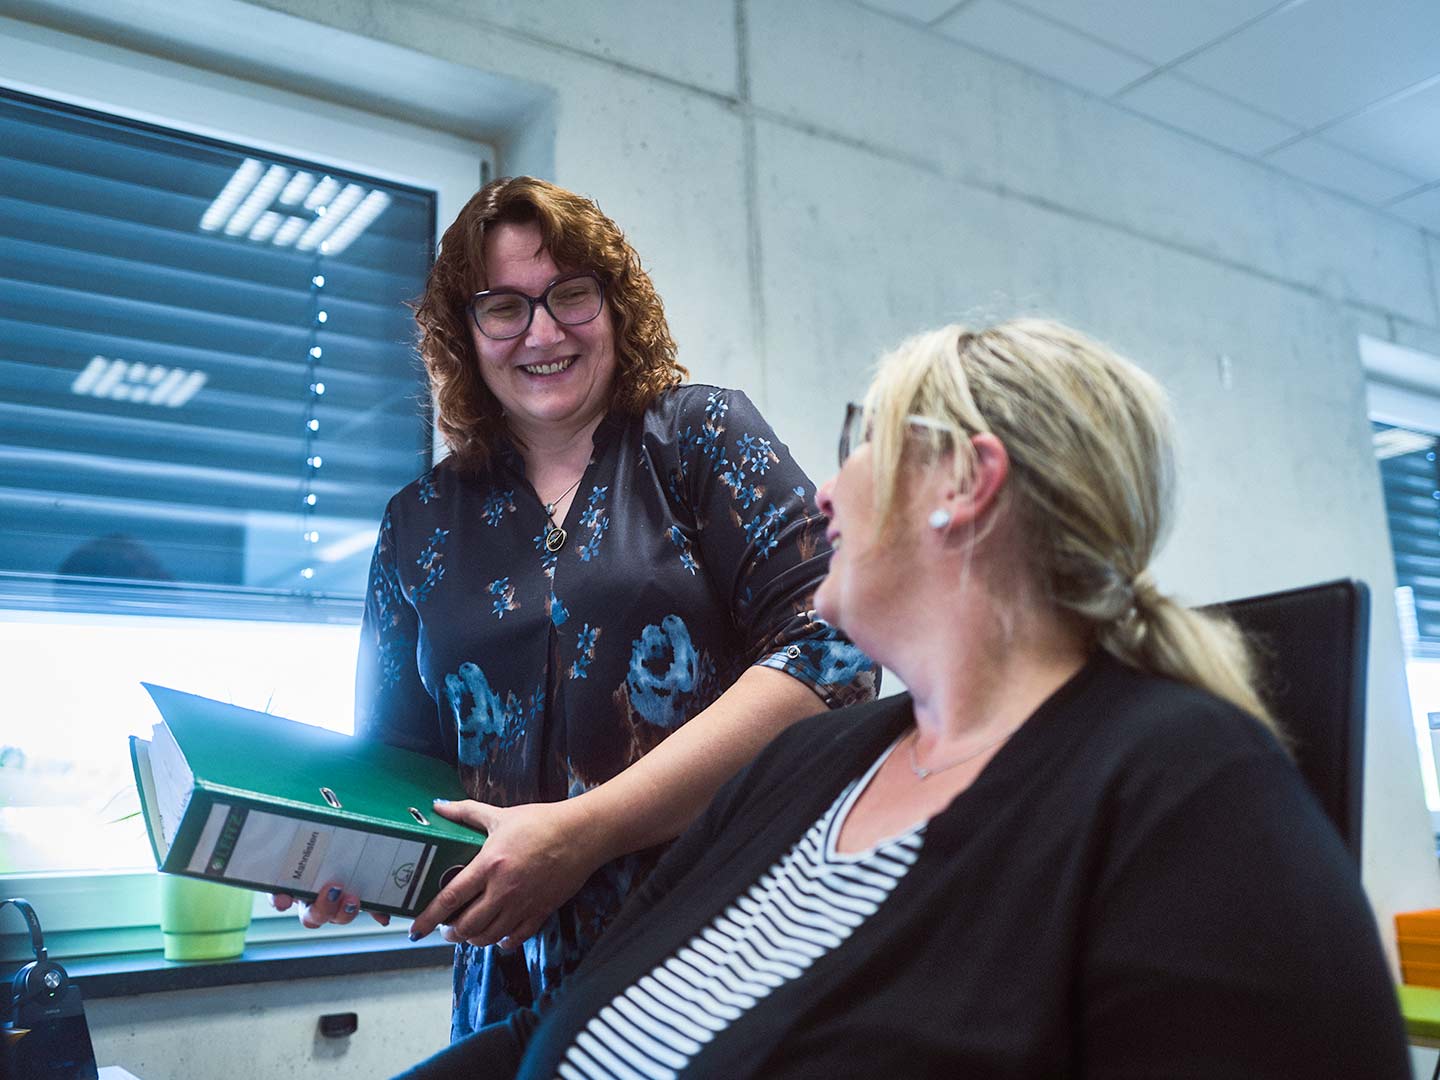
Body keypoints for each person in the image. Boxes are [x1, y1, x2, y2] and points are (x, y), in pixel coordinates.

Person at [393, 318, 1408, 1078]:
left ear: (964, 485)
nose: (825, 492)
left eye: (861, 439)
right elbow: (570, 1019)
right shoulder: (804, 765)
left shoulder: (1186, 794)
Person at [273, 176, 878, 1039]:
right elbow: (401, 768)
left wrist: (585, 832)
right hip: (508, 989)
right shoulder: (416, 523)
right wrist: (343, 856)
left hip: (722, 954)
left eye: (570, 295)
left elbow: (835, 655)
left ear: (615, 303)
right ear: (465, 334)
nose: (543, 333)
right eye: (504, 308)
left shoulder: (701, 438)